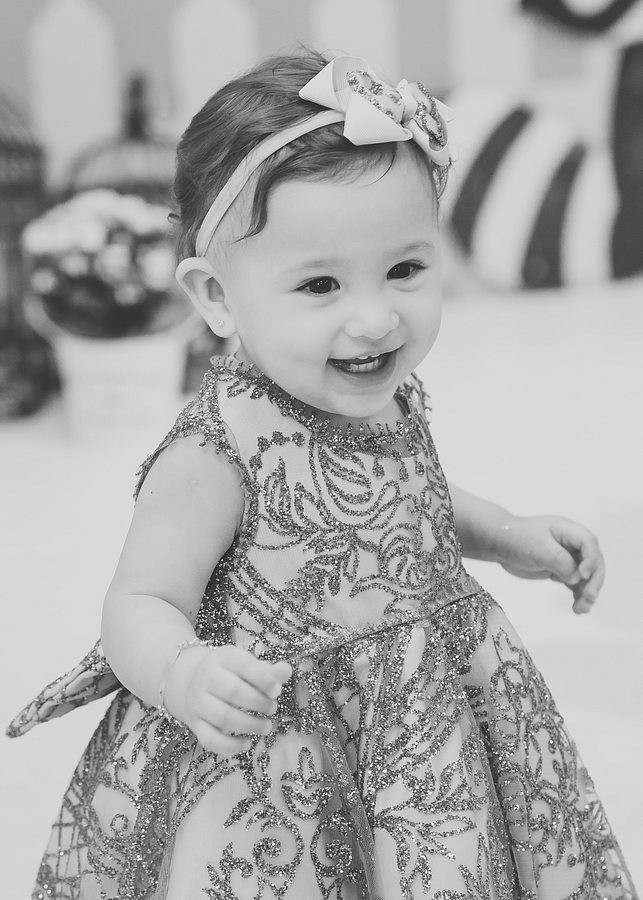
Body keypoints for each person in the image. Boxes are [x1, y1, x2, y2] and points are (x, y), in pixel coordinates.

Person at [8, 49, 638, 900]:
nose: (374, 319)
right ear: (216, 296)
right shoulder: (215, 450)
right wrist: (183, 672)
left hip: (425, 715)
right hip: (280, 749)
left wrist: (503, 534)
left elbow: (404, 500)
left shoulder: (382, 395)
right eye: (319, 284)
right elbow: (138, 601)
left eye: (405, 269)